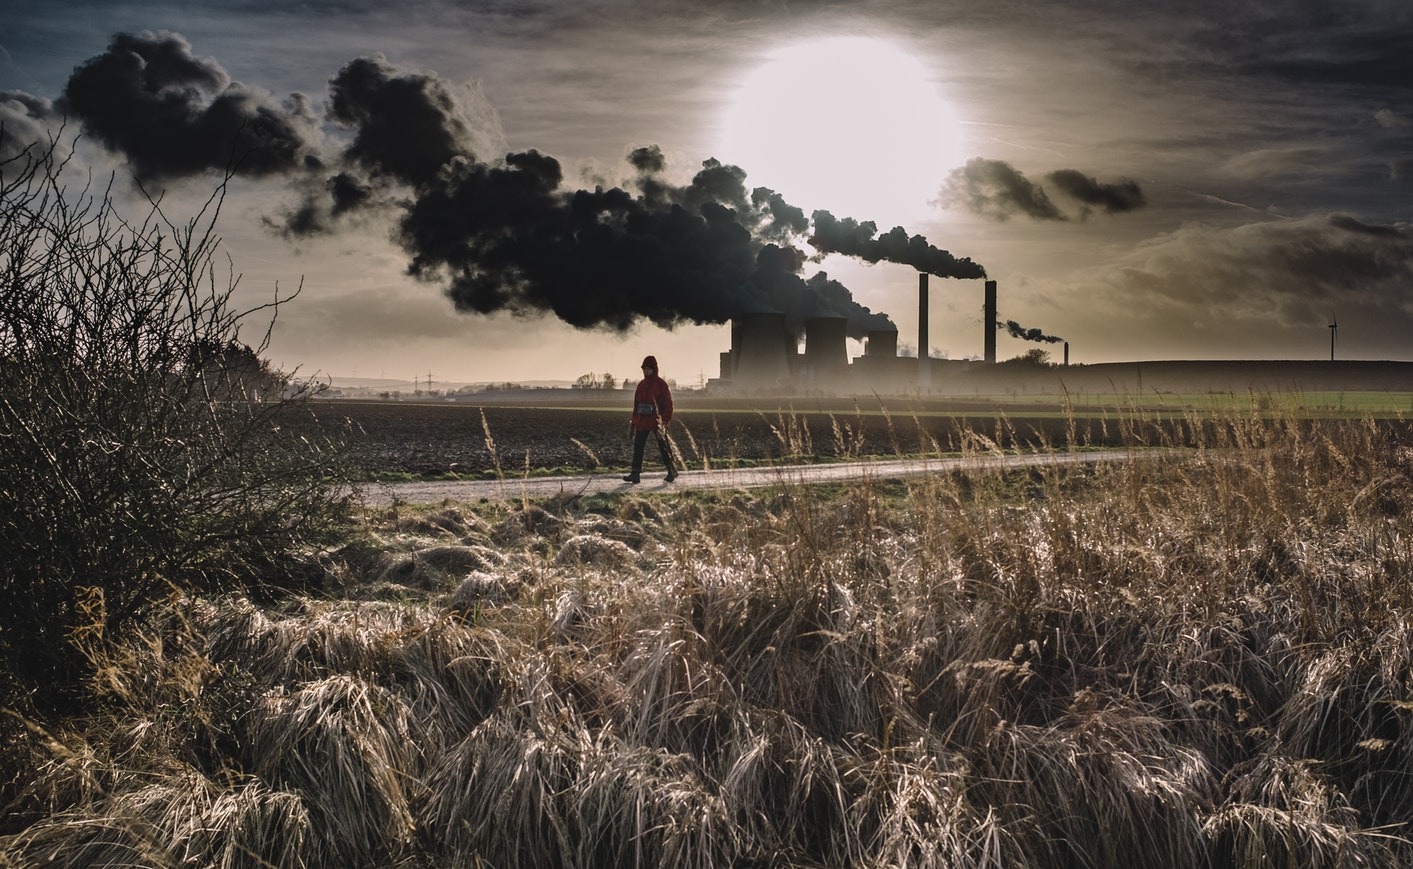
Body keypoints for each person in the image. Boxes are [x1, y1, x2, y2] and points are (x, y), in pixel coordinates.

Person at [623, 355, 676, 483]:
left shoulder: (661, 385)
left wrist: (664, 421)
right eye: (644, 369)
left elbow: (668, 404)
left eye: (648, 369)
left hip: (657, 421)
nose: (646, 371)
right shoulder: (641, 385)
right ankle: (635, 473)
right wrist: (633, 423)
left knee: (663, 447)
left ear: (654, 369)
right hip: (642, 421)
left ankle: (671, 471)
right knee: (638, 446)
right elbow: (636, 404)